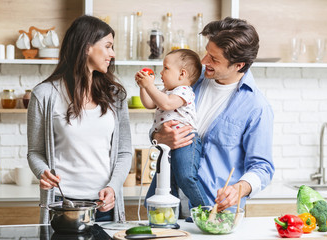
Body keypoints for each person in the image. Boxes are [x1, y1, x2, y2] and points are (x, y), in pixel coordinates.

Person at [151, 17, 275, 214]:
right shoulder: (189, 80)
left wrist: (239, 189)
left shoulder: (256, 107)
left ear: (239, 65)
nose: (204, 61)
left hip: (214, 212)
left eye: (214, 59)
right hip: (167, 200)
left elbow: (263, 167)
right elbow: (162, 120)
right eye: (207, 52)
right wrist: (158, 137)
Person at [27, 15, 132, 224]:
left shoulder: (115, 96)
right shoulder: (44, 95)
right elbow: (35, 152)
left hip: (104, 206)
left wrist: (113, 187)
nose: (112, 53)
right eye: (108, 46)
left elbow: (124, 151)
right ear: (86, 47)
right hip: (61, 205)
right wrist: (43, 172)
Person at [135, 49, 209, 207]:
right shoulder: (165, 92)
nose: (161, 73)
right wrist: (144, 87)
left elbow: (167, 103)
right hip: (168, 146)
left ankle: (207, 211)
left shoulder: (184, 91)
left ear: (182, 74)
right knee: (162, 186)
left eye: (166, 68)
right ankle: (165, 219)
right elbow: (149, 104)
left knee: (186, 176)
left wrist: (150, 86)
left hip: (187, 142)